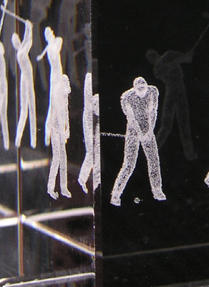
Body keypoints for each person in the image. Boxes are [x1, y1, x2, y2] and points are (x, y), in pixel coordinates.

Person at [110, 77, 166, 206]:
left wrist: (149, 131)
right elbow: (131, 118)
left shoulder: (153, 91)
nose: (142, 91)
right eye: (139, 89)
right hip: (133, 130)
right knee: (129, 164)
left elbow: (153, 112)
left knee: (153, 160)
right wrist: (140, 134)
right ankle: (116, 194)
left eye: (143, 87)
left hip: (148, 128)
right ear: (134, 89)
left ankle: (157, 190)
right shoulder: (126, 97)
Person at [146, 47, 197, 160]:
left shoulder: (164, 60)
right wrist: (185, 57)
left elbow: (186, 59)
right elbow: (181, 62)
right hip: (175, 91)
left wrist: (186, 56)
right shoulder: (160, 65)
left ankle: (189, 153)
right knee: (177, 124)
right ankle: (188, 153)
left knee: (174, 124)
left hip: (175, 92)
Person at [12, 19, 37, 148]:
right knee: (28, 108)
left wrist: (28, 28)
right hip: (26, 79)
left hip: (25, 78)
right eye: (17, 40)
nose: (19, 40)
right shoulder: (21, 52)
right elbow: (29, 42)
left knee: (26, 110)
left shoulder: (20, 50)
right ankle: (26, 139)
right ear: (16, 43)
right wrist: (29, 28)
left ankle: (27, 139)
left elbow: (26, 41)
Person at [46, 73, 71, 199]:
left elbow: (66, 114)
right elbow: (55, 117)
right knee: (57, 157)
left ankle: (64, 187)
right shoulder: (56, 97)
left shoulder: (64, 97)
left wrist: (67, 130)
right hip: (55, 130)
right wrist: (59, 131)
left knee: (63, 158)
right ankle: (50, 187)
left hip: (61, 131)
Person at [78, 72, 100, 194]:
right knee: (91, 153)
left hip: (95, 124)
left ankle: (95, 181)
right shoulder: (88, 110)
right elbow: (87, 95)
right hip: (89, 124)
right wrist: (89, 76)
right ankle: (82, 179)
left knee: (96, 153)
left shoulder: (95, 114)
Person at [58, 0, 83, 88]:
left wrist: (73, 34)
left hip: (67, 34)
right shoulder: (69, 0)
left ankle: (72, 79)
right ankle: (61, 80)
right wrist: (69, 35)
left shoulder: (73, 3)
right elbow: (65, 20)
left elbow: (72, 22)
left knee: (69, 56)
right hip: (64, 34)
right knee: (63, 56)